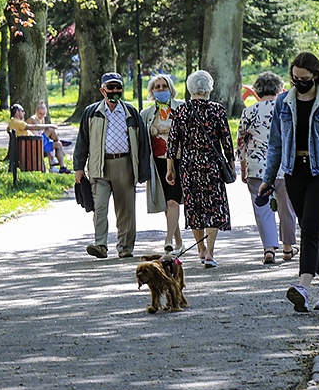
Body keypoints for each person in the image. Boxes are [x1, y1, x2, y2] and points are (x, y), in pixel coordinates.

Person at [261, 51, 319, 312]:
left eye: (304, 79)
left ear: (315, 76)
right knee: (311, 229)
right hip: (294, 174)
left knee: (311, 226)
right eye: (295, 78)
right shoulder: (283, 103)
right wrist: (268, 179)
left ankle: (302, 285)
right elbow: (276, 145)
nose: (299, 83)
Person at [73, 72, 150, 259]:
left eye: (118, 87)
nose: (115, 91)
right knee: (99, 207)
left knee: (125, 209)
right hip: (100, 165)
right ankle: (100, 244)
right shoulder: (92, 112)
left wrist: (143, 172)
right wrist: (79, 167)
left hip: (125, 164)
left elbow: (142, 144)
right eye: (110, 87)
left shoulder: (131, 112)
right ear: (102, 90)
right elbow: (82, 140)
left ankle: (125, 248)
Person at [165, 70, 235, 269]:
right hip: (211, 164)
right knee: (213, 206)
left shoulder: (182, 111)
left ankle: (201, 249)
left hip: (189, 164)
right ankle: (210, 253)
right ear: (209, 88)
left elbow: (172, 143)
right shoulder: (217, 110)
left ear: (190, 88)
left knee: (194, 206)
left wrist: (170, 168)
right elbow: (226, 141)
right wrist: (231, 164)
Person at [237, 71, 298, 264]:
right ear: (280, 89)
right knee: (286, 206)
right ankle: (288, 248)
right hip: (284, 166)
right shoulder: (287, 109)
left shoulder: (249, 111)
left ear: (256, 91)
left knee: (262, 207)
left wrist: (243, 165)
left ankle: (269, 249)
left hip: (257, 166)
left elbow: (241, 142)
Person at [140, 73, 184, 252]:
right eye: (157, 87)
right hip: (157, 163)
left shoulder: (181, 108)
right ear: (152, 91)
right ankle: (178, 242)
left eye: (164, 86)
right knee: (168, 204)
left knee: (173, 202)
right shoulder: (146, 114)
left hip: (179, 162)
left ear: (170, 89)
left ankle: (168, 240)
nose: (160, 90)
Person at [26, 100, 71, 173]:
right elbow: (38, 127)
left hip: (41, 142)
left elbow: (42, 131)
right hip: (35, 143)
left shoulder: (42, 119)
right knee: (50, 129)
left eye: (43, 114)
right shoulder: (32, 119)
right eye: (40, 114)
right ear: (36, 112)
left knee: (58, 144)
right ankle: (59, 140)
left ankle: (62, 167)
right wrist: (50, 125)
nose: (41, 116)